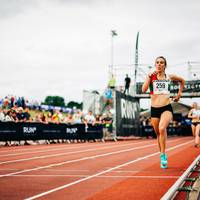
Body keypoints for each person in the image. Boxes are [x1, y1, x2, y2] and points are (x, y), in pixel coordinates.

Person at [142, 56, 185, 169]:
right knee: (158, 134)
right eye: (157, 62)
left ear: (165, 65)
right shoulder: (151, 77)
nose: (159, 64)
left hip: (166, 107)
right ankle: (162, 154)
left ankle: (163, 154)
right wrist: (148, 77)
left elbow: (182, 80)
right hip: (154, 109)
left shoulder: (169, 77)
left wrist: (179, 94)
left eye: (162, 62)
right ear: (155, 65)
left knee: (162, 129)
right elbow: (143, 90)